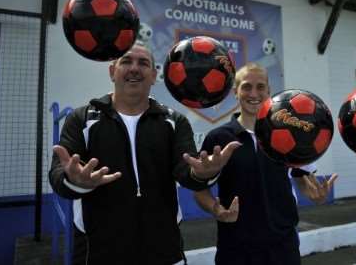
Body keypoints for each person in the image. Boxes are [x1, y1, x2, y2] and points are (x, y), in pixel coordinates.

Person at [49, 42, 240, 265]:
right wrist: (76, 180)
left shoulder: (174, 121)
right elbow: (58, 174)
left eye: (143, 63)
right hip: (99, 252)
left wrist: (204, 173)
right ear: (112, 71)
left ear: (154, 76)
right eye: (126, 61)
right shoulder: (83, 119)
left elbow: (186, 172)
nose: (134, 68)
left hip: (164, 251)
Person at [194, 62, 338, 265]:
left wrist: (315, 195)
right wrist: (216, 209)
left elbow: (302, 181)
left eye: (260, 87)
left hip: (282, 246)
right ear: (236, 92)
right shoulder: (218, 138)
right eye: (246, 86)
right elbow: (200, 190)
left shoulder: (291, 133)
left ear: (269, 91)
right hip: (235, 248)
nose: (254, 93)